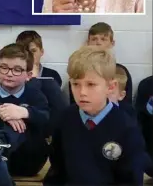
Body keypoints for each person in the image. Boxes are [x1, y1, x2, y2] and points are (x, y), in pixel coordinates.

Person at [44, 46, 147, 185]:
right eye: (76, 84)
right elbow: (57, 170)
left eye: (91, 84)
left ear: (110, 87)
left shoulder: (127, 128)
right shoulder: (65, 119)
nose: (82, 92)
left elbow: (131, 180)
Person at [0, 44, 50, 176]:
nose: (9, 74)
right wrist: (0, 109)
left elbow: (46, 117)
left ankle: (1, 146)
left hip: (26, 159)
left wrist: (24, 112)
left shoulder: (34, 93)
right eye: (4, 68)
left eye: (17, 70)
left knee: (21, 130)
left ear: (28, 75)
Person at [68, 22, 133, 104]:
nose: (98, 43)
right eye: (94, 39)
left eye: (103, 39)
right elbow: (74, 103)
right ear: (88, 43)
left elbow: (127, 104)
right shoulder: (78, 69)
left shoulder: (121, 71)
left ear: (112, 43)